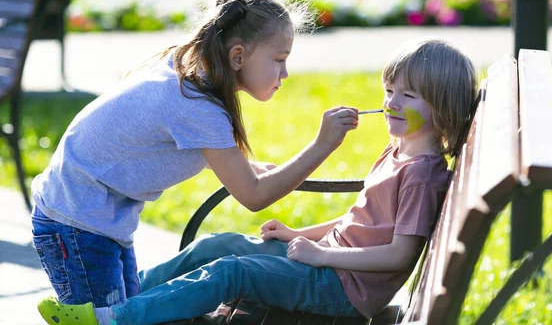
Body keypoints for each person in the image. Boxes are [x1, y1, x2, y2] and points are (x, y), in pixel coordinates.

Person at [37, 38, 478, 325]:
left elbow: (400, 253)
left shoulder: (421, 174)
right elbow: (361, 218)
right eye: (388, 90)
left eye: (408, 95)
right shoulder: (398, 153)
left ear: (442, 107)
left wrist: (321, 256)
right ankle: (122, 305)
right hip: (333, 266)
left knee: (234, 271)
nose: (391, 102)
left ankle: (114, 319)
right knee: (216, 246)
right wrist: (299, 235)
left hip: (345, 289)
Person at [31, 0, 360, 310]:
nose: (284, 72)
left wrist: (245, 169)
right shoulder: (199, 106)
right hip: (77, 224)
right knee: (110, 319)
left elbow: (159, 143)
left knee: (129, 312)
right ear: (238, 56)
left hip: (89, 217)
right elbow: (254, 196)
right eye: (279, 59)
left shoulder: (187, 73)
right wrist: (323, 145)